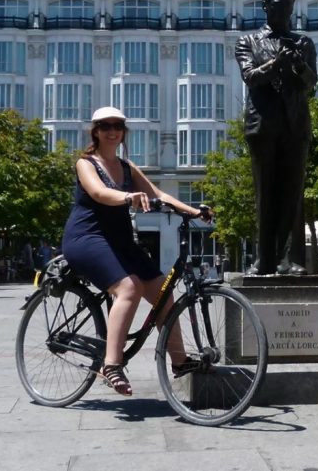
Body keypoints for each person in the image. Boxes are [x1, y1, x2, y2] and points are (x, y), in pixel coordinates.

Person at [61, 106, 211, 396]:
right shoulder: (86, 163)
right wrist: (127, 196)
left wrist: (194, 211)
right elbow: (98, 193)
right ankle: (111, 364)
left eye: (117, 125)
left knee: (162, 292)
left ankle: (179, 362)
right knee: (129, 288)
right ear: (96, 130)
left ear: (123, 131)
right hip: (86, 238)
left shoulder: (128, 167)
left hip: (120, 241)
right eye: (105, 126)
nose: (112, 130)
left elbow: (160, 194)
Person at [234, 0, 318, 275]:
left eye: (288, 7)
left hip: (295, 126)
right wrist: (277, 63)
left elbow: (310, 83)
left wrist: (297, 66)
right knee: (266, 194)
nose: (284, 12)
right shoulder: (248, 40)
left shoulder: (303, 42)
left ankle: (289, 259)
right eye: (279, 6)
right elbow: (250, 77)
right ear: (266, 7)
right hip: (263, 126)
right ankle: (264, 259)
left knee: (292, 194)